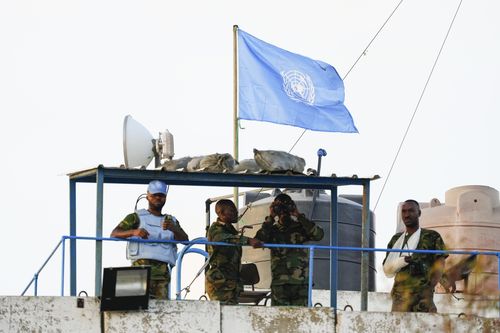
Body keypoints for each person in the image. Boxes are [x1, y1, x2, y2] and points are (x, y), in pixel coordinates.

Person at [110, 180, 189, 299]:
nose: (158, 198)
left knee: (161, 310)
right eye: (154, 195)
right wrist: (134, 232)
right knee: (134, 307)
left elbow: (185, 240)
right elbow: (114, 234)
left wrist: (174, 229)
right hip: (140, 270)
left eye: (161, 195)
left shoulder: (171, 220)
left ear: (165, 197)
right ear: (147, 196)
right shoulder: (136, 217)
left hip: (162, 273)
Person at [255, 193, 324, 306]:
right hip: (280, 284)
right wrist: (270, 217)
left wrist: (298, 215)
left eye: (286, 207)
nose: (283, 212)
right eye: (279, 208)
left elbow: (318, 235)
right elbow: (258, 240)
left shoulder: (301, 228)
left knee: (301, 317)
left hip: (301, 283)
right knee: (279, 318)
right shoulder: (271, 230)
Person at [383, 199, 447, 312]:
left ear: (419, 213)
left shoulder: (432, 237)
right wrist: (402, 261)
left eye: (411, 211)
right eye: (404, 211)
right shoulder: (396, 239)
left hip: (423, 296)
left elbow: (440, 263)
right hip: (400, 296)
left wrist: (431, 286)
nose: (407, 215)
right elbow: (387, 267)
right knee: (399, 328)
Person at [205, 199, 263, 305]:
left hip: (231, 283)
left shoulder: (229, 229)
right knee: (223, 316)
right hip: (220, 283)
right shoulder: (215, 229)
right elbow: (224, 238)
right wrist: (248, 240)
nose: (236, 213)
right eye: (232, 211)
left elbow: (242, 239)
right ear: (221, 213)